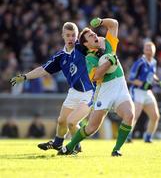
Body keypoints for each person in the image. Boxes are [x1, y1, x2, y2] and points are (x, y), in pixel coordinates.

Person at [10, 22, 115, 153]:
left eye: (73, 35)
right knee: (61, 121)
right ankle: (58, 144)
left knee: (72, 122)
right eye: (68, 35)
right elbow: (43, 70)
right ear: (63, 36)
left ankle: (75, 146)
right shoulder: (60, 56)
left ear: (77, 37)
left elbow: (99, 43)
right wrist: (25, 77)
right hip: (74, 92)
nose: (71, 38)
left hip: (90, 92)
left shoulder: (82, 47)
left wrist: (108, 47)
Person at [58, 17, 134, 156]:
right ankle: (70, 147)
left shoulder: (109, 44)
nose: (95, 35)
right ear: (86, 44)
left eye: (94, 33)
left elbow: (114, 24)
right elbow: (96, 76)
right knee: (92, 127)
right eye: (90, 36)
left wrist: (100, 22)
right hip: (104, 90)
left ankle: (116, 150)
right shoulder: (90, 58)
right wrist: (109, 62)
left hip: (120, 86)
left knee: (129, 115)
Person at [127, 41, 160, 143]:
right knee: (134, 116)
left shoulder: (154, 62)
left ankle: (148, 137)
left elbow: (151, 74)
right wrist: (142, 83)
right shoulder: (140, 62)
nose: (149, 51)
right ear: (144, 50)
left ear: (154, 50)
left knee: (155, 116)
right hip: (137, 91)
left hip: (147, 92)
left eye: (151, 48)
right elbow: (131, 78)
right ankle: (127, 136)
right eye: (147, 48)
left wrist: (157, 80)